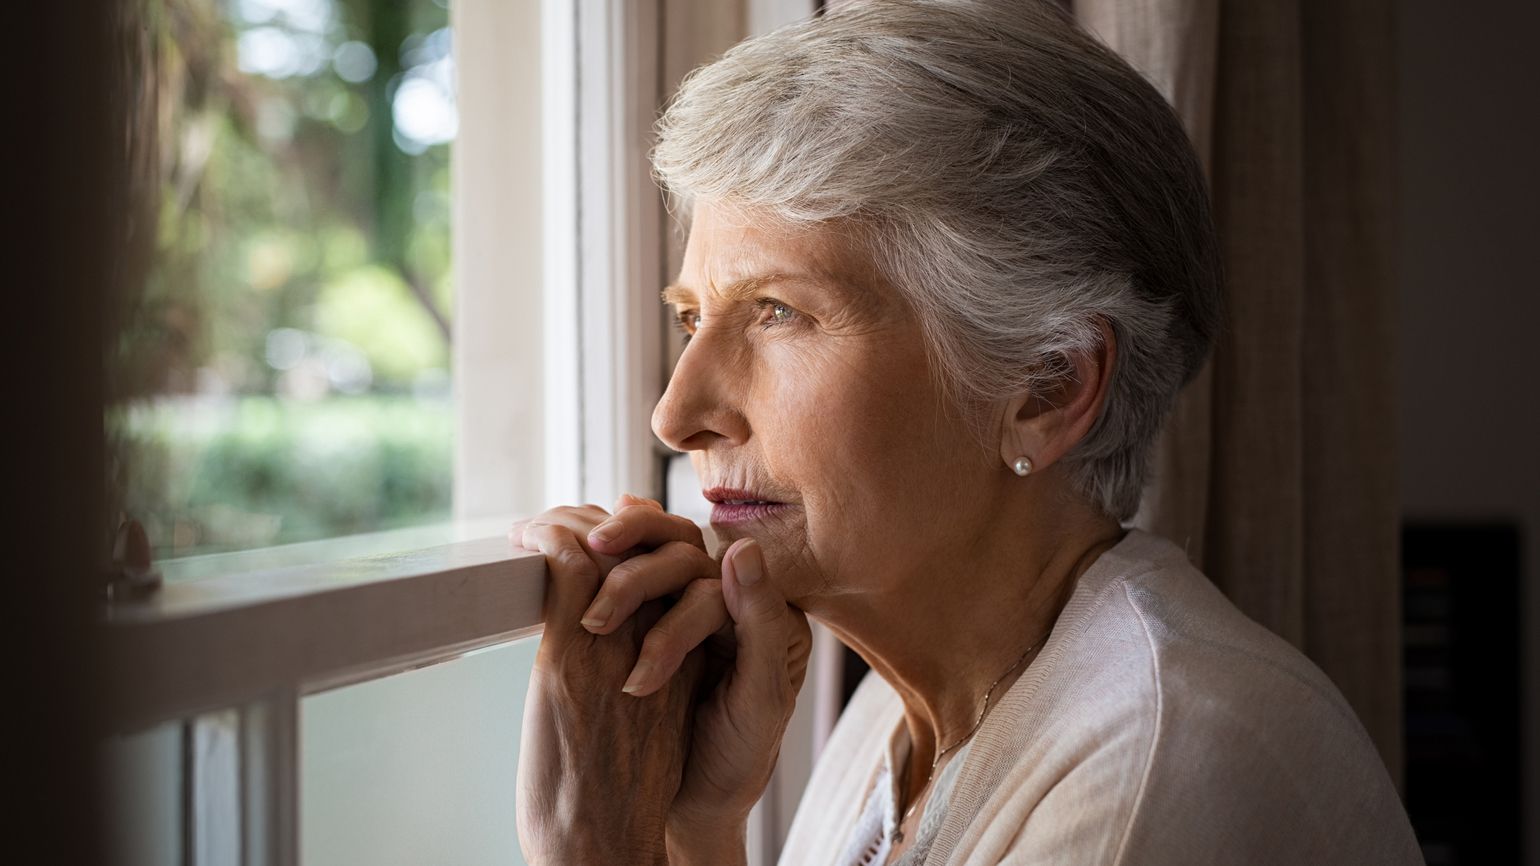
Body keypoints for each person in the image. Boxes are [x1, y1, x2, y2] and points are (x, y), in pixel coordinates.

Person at [509, 1, 1423, 863]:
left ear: (1047, 386)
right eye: (689, 318)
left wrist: (600, 848)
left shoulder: (1162, 763)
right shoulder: (897, 721)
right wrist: (698, 827)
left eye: (778, 312)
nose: (675, 415)